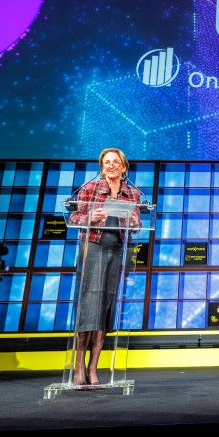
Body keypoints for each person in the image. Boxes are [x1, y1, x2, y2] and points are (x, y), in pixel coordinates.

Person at [67, 148, 141, 386]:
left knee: (106, 307)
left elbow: (138, 224)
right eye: (106, 162)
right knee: (90, 306)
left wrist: (133, 221)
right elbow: (73, 217)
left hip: (117, 249)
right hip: (93, 247)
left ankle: (93, 367)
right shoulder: (89, 188)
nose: (111, 166)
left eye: (115, 162)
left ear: (123, 167)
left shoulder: (132, 192)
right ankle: (79, 367)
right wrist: (90, 218)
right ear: (101, 166)